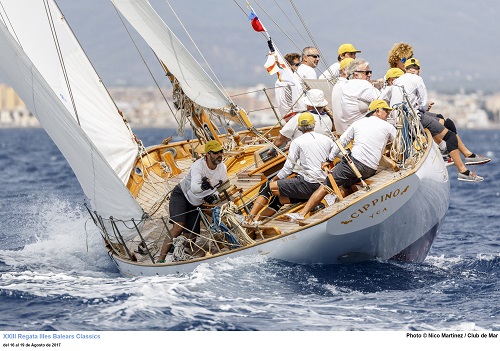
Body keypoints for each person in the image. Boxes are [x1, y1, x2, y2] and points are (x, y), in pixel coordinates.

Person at [287, 100, 396, 222]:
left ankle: (302, 214)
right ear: (377, 111)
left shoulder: (358, 123)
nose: (388, 114)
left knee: (326, 186)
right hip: (370, 169)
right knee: (346, 184)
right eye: (386, 111)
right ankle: (340, 208)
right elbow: (398, 144)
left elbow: (341, 143)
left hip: (354, 164)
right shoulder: (389, 127)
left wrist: (328, 160)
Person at [388, 59, 488, 181]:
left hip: (403, 117)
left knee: (443, 121)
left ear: (406, 69)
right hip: (414, 118)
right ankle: (462, 170)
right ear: (419, 70)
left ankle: (467, 155)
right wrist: (425, 106)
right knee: (450, 136)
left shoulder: (398, 81)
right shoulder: (417, 79)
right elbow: (423, 105)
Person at [247, 112, 335, 224]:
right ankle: (256, 221)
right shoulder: (326, 139)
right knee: (278, 199)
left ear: (299, 127)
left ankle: (249, 218)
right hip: (322, 188)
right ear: (314, 125)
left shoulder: (297, 142)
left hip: (308, 186)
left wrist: (272, 181)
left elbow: (288, 169)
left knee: (266, 187)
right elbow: (340, 154)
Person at [158, 140, 228, 262]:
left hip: (196, 202)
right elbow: (195, 189)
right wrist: (204, 187)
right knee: (178, 227)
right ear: (208, 154)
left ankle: (177, 251)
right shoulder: (198, 166)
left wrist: (214, 196)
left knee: (192, 235)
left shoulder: (222, 168)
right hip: (182, 195)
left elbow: (221, 187)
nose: (219, 155)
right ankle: (161, 258)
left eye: (221, 151)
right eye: (216, 153)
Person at [269, 89, 333, 154]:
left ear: (308, 104)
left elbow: (281, 138)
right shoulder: (328, 119)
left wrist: (273, 149)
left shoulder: (300, 117)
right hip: (322, 154)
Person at [338, 58, 380, 133]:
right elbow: (382, 100)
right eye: (366, 72)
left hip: (353, 129)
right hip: (366, 130)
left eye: (370, 72)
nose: (370, 75)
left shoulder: (346, 86)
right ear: (356, 75)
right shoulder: (362, 84)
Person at [274, 52, 304, 118]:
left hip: (285, 115)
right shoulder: (292, 80)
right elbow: (299, 102)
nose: (298, 67)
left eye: (299, 64)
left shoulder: (280, 79)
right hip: (293, 115)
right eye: (297, 64)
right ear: (288, 65)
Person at [331, 57, 354, 133]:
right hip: (348, 132)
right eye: (353, 70)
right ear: (344, 70)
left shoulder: (337, 85)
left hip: (340, 131)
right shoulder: (347, 86)